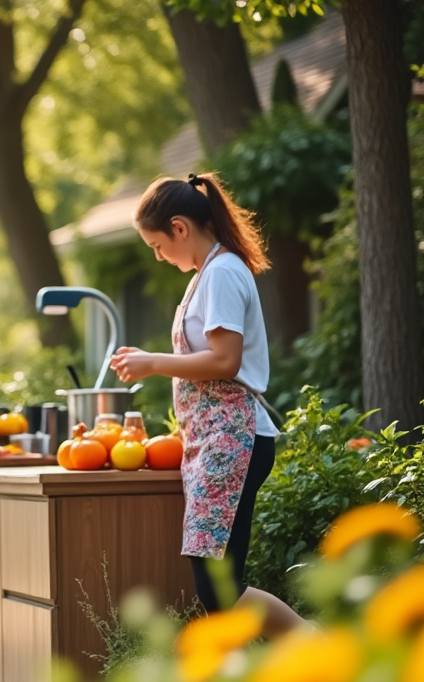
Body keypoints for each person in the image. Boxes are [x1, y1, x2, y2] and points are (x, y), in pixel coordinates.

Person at [111, 172, 306, 638]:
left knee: (218, 587)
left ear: (179, 227)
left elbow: (224, 359)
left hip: (231, 440)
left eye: (158, 245)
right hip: (217, 442)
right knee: (217, 586)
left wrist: (154, 363)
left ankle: (314, 645)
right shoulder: (208, 274)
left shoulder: (220, 273)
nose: (158, 257)